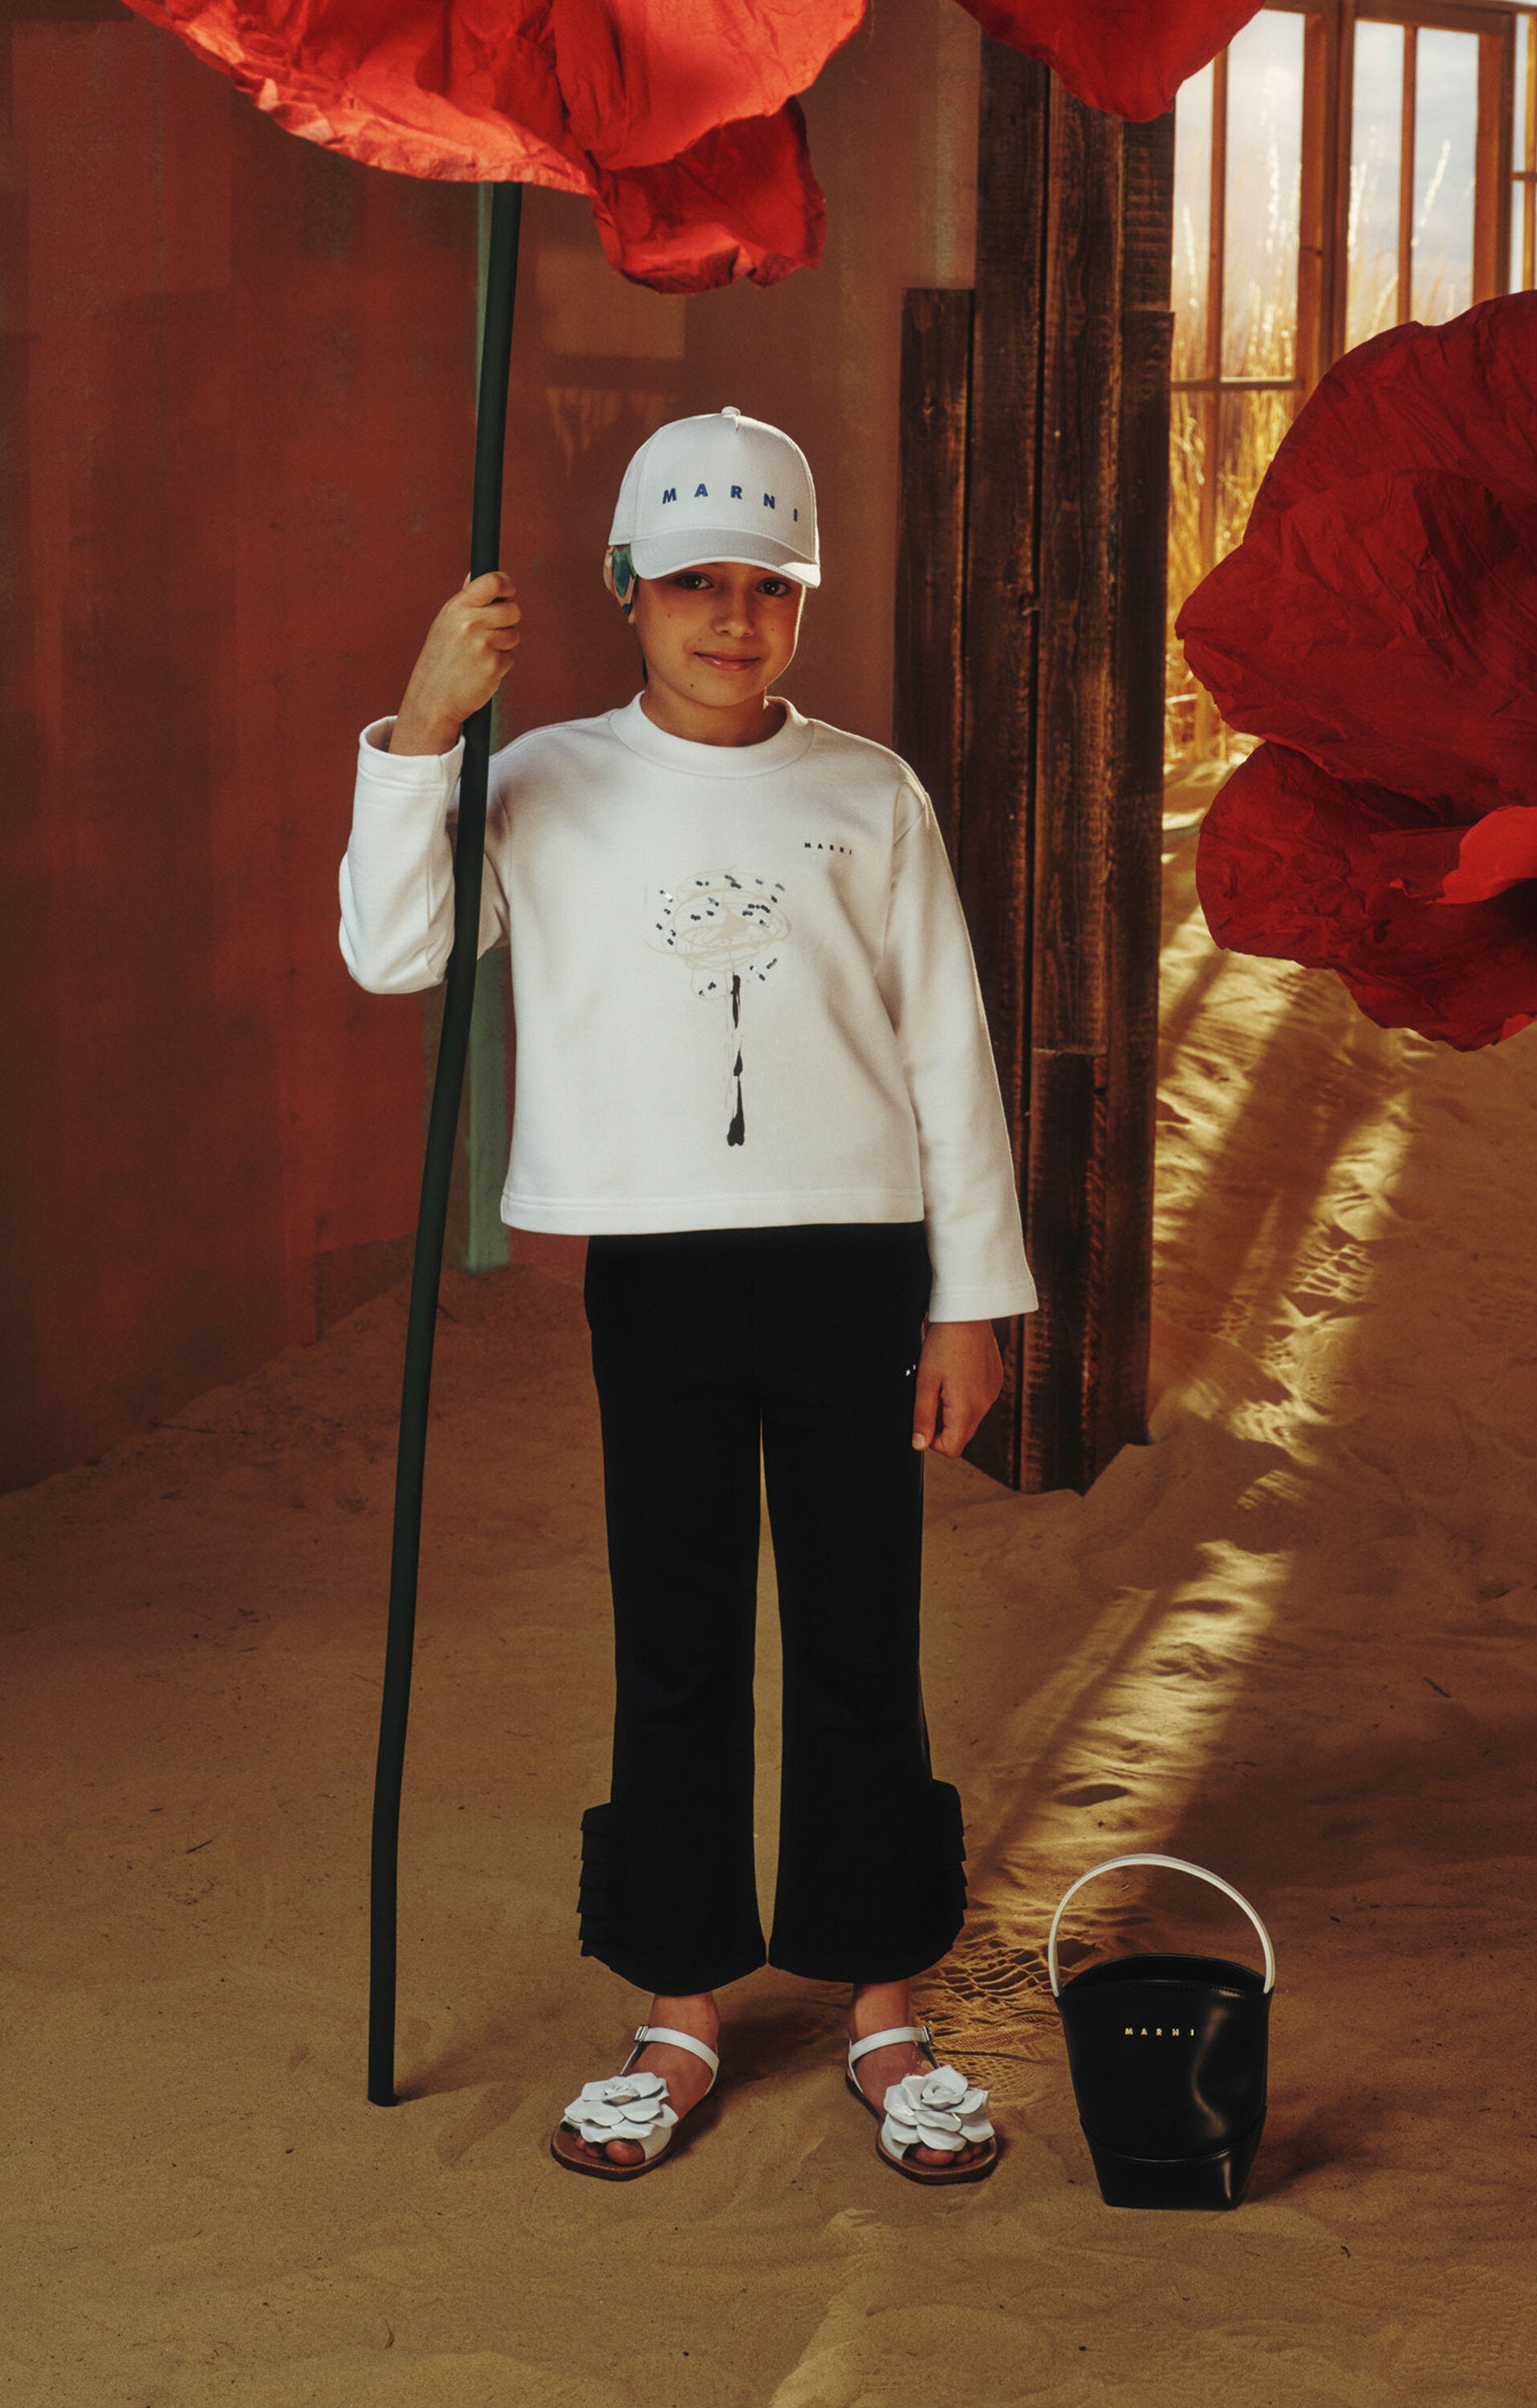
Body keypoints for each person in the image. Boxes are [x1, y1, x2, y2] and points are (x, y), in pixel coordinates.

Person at [339, 407, 1039, 2187]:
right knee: (677, 1641)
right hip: (654, 1269)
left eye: (767, 588)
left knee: (862, 1637)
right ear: (624, 592)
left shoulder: (869, 793)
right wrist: (423, 727)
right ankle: (679, 2005)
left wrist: (969, 1300)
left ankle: (885, 2004)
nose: (733, 620)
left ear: (803, 600)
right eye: (694, 586)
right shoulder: (538, 778)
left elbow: (946, 1053)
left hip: (855, 1261)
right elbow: (394, 949)